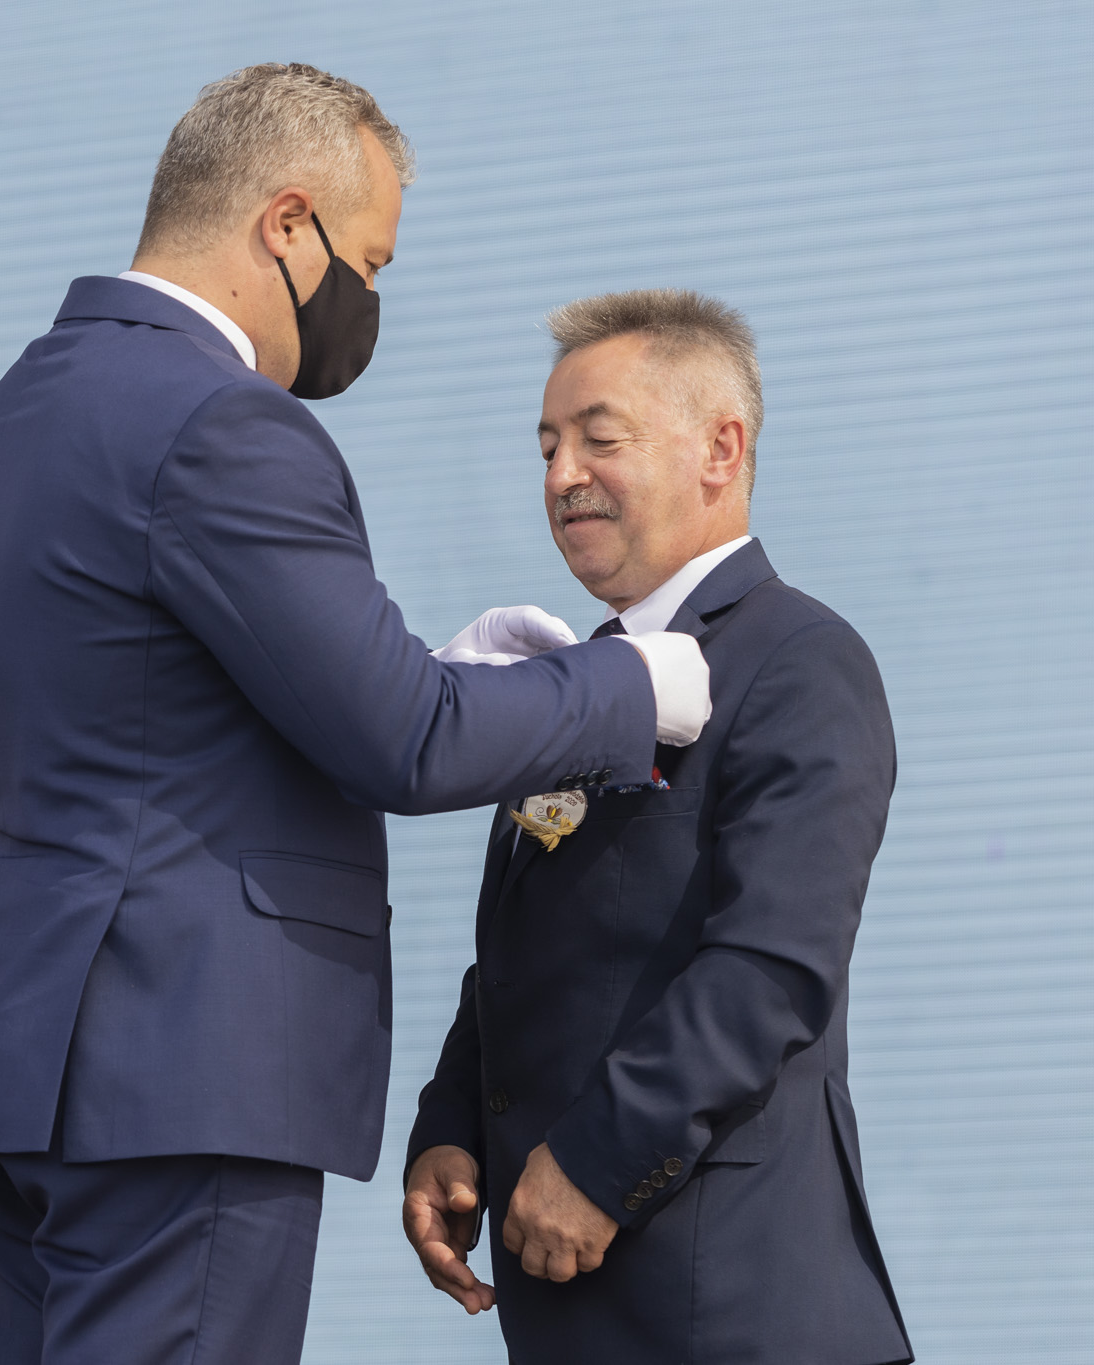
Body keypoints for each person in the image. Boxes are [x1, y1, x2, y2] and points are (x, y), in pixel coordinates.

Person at [0, 63, 715, 1365]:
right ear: (287, 226)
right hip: (177, 1067)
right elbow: (404, 739)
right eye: (370, 262)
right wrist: (629, 685)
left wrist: (440, 674)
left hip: (27, 1061)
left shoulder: (10, 416)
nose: (368, 301)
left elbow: (148, 715)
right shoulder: (220, 419)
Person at [403, 290, 911, 1364]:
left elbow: (770, 966)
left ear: (721, 449)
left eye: (600, 439)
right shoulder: (582, 677)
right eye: (546, 446)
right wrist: (451, 1126)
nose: (560, 476)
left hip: (727, 1304)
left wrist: (597, 1161)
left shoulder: (797, 661)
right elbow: (528, 947)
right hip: (571, 1304)